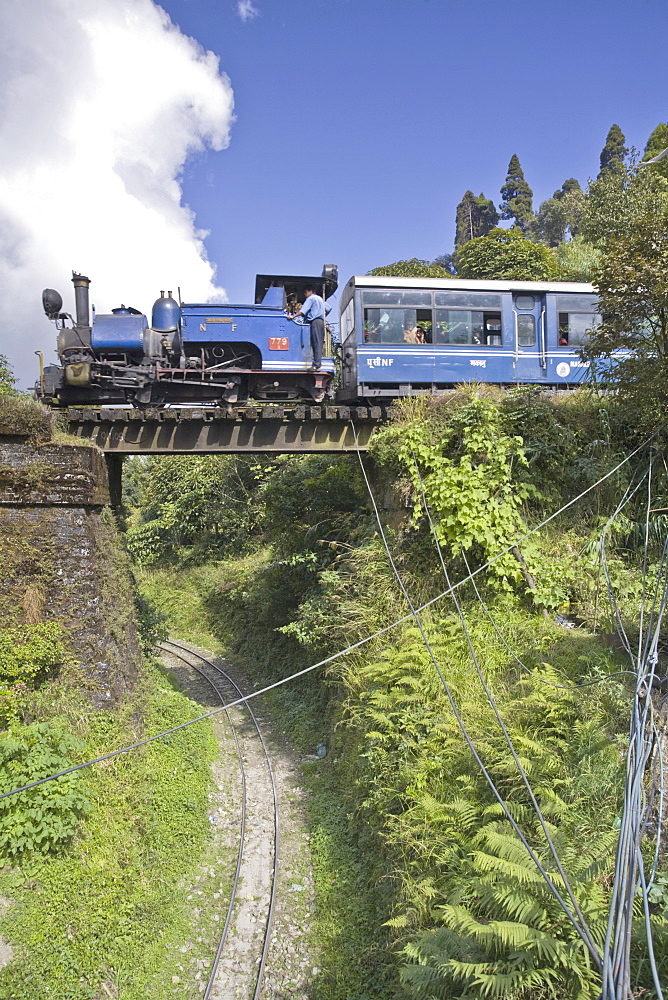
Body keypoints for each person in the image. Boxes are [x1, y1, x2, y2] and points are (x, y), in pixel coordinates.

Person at [287, 286, 331, 370]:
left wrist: (293, 316)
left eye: (305, 292)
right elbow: (329, 309)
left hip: (314, 322)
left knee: (315, 343)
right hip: (321, 322)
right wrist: (323, 316)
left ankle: (316, 365)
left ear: (310, 291)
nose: (305, 294)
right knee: (318, 342)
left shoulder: (310, 299)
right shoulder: (320, 299)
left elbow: (303, 311)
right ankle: (316, 362)